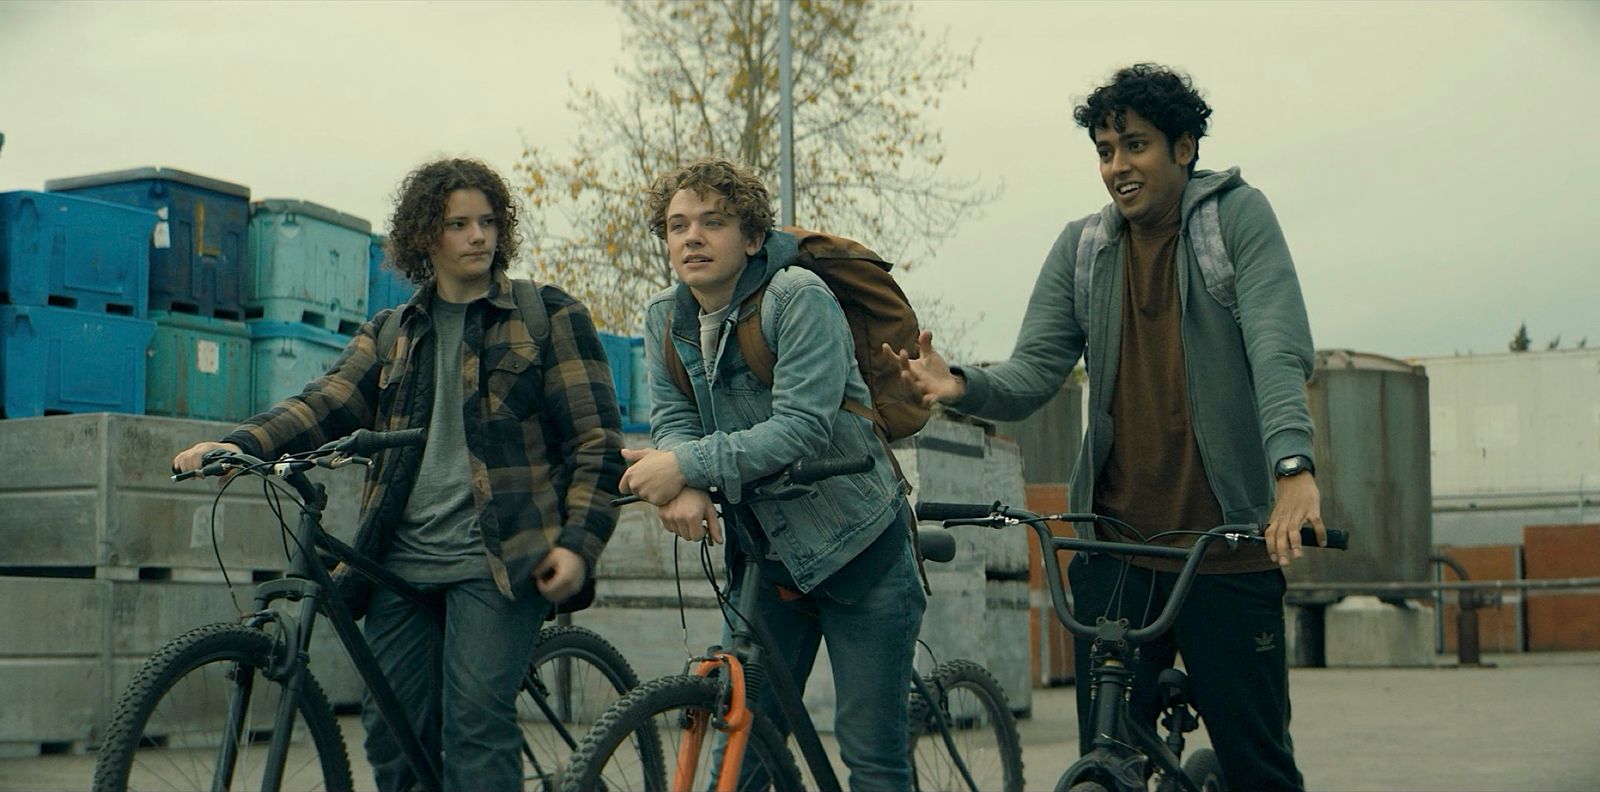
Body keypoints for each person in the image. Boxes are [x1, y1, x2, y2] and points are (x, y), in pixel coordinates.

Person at [886, 64, 1324, 791]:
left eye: (1136, 146)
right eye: (1105, 150)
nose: (1117, 166)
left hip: (1225, 550)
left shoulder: (1237, 220)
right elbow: (1033, 373)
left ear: (1184, 147)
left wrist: (1292, 468)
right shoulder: (1084, 249)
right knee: (1109, 763)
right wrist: (959, 384)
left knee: (1258, 767)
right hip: (1114, 548)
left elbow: (1278, 348)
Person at [172, 157, 625, 792]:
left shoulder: (545, 316)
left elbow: (595, 442)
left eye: (488, 222)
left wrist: (578, 546)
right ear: (423, 238)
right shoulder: (393, 332)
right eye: (458, 223)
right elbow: (323, 402)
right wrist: (237, 444)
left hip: (496, 561)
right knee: (392, 736)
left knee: (474, 727)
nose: (477, 236)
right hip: (398, 564)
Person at [619, 157, 925, 791]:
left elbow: (800, 429)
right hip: (765, 560)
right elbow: (673, 416)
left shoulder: (798, 298)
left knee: (871, 760)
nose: (692, 237)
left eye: (713, 222)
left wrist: (683, 464)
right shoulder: (665, 318)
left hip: (860, 551)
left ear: (753, 238)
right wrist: (688, 479)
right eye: (677, 226)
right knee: (745, 755)